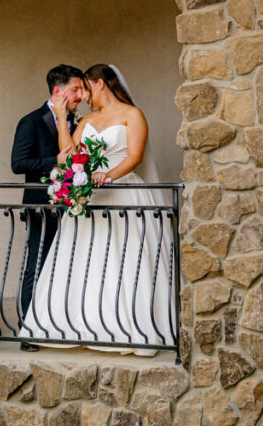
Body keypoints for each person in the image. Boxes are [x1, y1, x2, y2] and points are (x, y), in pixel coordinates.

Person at [19, 63, 176, 355]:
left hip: (121, 192)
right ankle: (82, 325)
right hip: (91, 197)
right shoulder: (87, 120)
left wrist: (109, 176)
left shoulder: (133, 115)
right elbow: (70, 155)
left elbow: (135, 155)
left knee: (125, 260)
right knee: (85, 262)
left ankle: (129, 328)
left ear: (100, 83)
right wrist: (65, 117)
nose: (85, 96)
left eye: (86, 89)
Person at [11, 64, 86, 347]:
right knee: (37, 267)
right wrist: (54, 161)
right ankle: (29, 331)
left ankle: (59, 324)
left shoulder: (78, 123)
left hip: (71, 208)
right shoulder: (30, 122)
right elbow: (18, 163)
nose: (81, 95)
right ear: (58, 91)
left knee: (66, 267)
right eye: (75, 89)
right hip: (41, 207)